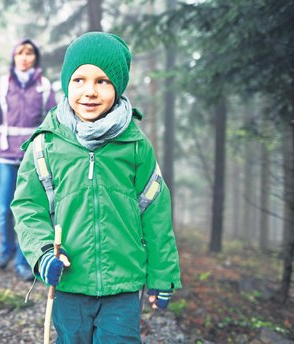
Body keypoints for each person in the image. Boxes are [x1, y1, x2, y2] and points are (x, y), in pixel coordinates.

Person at [11, 32, 181, 342]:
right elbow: (27, 208)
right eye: (79, 80)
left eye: (102, 81)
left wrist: (162, 275)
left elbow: (156, 213)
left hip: (123, 286)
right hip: (69, 283)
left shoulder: (135, 144)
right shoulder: (45, 144)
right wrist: (44, 253)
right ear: (66, 83)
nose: (89, 91)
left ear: (118, 86)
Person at [0, 39, 57, 281]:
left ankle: (23, 261)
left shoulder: (45, 88)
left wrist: (54, 156)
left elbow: (53, 123)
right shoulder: (1, 86)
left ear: (35, 58)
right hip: (6, 155)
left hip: (33, 157)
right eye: (20, 53)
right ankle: (6, 250)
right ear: (13, 57)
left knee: (26, 209)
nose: (25, 57)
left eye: (29, 53)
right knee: (5, 208)